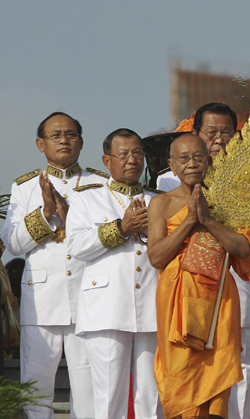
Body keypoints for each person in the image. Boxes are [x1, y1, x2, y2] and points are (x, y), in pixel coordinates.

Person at [155, 125, 250, 419]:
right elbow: (157, 257)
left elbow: (243, 250)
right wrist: (189, 222)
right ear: (171, 165)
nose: (192, 164)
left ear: (209, 160)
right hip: (177, 303)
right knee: (180, 383)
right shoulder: (161, 204)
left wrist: (210, 220)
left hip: (220, 303)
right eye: (183, 158)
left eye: (198, 157)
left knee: (216, 387)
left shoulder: (230, 199)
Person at [1, 111, 104, 418]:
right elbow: (15, 245)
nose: (64, 140)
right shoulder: (25, 187)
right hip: (43, 301)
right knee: (36, 389)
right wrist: (44, 215)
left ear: (81, 142)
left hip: (89, 297)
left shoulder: (101, 184)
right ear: (40, 144)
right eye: (56, 135)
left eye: (70, 134)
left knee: (88, 390)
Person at [66, 128, 163, 419]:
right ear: (107, 160)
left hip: (153, 304)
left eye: (137, 154)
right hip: (106, 307)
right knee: (108, 395)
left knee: (152, 393)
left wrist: (149, 231)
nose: (132, 160)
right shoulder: (87, 199)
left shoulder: (160, 200)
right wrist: (121, 228)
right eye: (123, 154)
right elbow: (77, 247)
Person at [157, 103, 238, 191]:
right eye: (211, 133)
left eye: (225, 133)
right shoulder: (171, 181)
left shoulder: (246, 176)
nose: (219, 140)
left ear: (235, 135)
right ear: (195, 134)